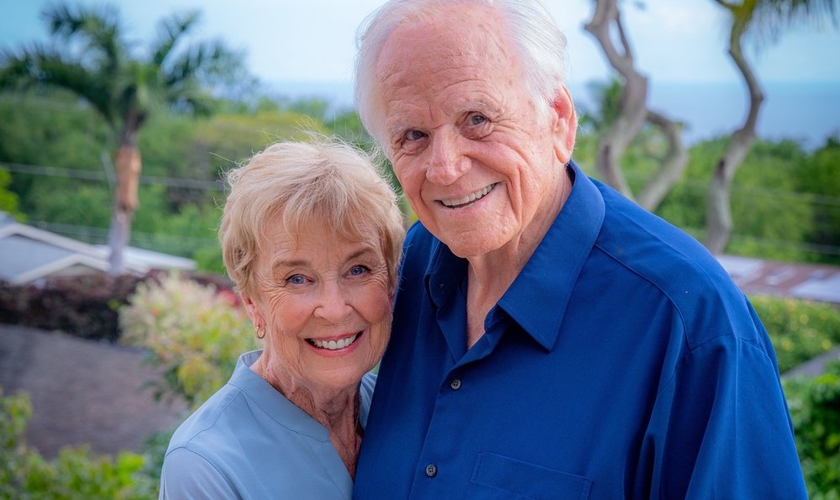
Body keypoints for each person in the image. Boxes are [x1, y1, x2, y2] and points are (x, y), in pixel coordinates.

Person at [351, 0, 808, 498]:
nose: (444, 168)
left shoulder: (691, 324)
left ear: (559, 120)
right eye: (413, 135)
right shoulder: (410, 262)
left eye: (477, 119)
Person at [157, 137, 405, 499]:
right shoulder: (205, 465)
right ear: (253, 303)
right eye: (297, 279)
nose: (334, 309)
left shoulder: (401, 411)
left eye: (358, 269)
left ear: (392, 282)